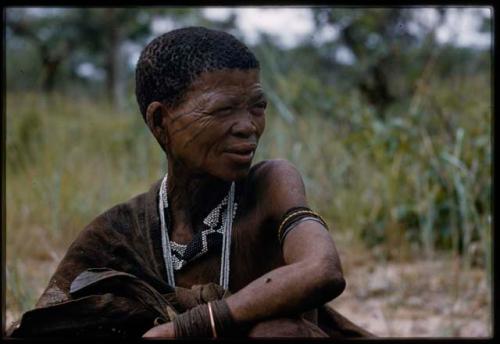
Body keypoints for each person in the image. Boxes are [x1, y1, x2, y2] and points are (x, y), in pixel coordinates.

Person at [8, 26, 373, 338]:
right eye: (223, 109)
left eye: (257, 106)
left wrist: (190, 327)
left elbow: (322, 270)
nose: (248, 126)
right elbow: (49, 320)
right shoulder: (119, 232)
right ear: (160, 121)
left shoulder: (270, 185)